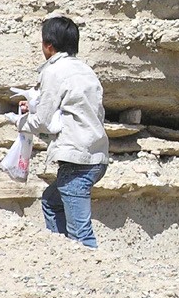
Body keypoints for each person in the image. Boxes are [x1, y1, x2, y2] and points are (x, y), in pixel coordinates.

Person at [16, 16, 109, 249]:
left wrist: (21, 122)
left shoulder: (54, 71)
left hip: (76, 159)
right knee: (51, 200)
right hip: (97, 157)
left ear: (48, 45)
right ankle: (63, 255)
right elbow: (75, 108)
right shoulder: (86, 70)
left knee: (81, 234)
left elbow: (45, 121)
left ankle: (89, 272)